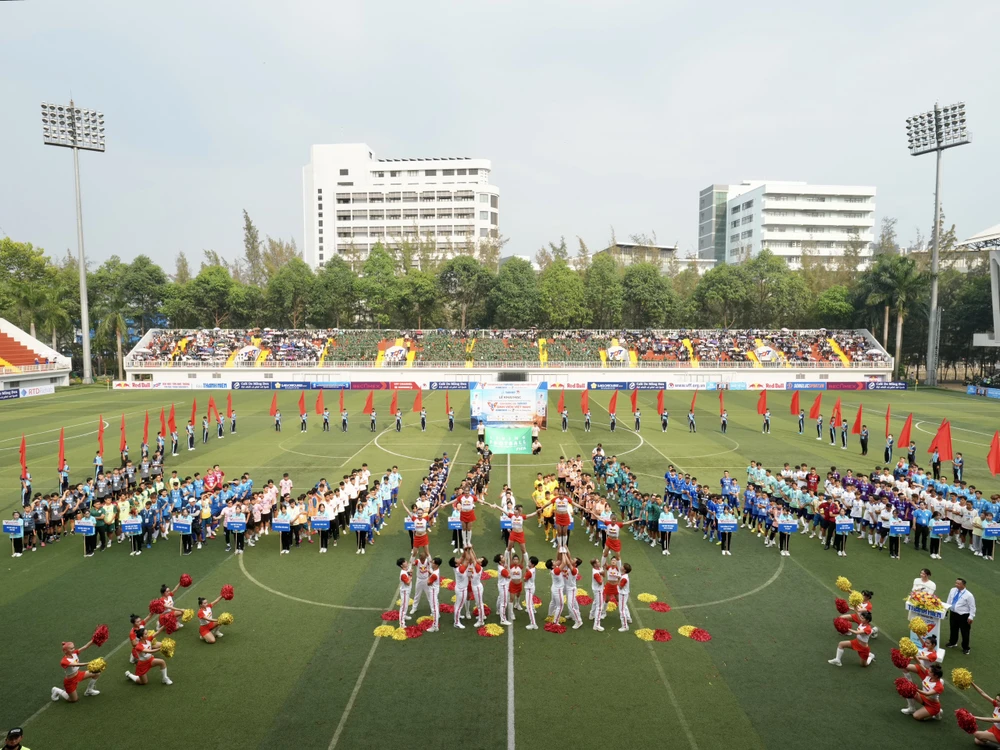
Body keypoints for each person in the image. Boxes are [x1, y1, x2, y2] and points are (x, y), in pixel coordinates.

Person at [944, 578, 976, 655]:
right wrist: (946, 609)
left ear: (963, 585)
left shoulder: (969, 595)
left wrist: (971, 617)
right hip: (953, 613)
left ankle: (966, 648)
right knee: (953, 628)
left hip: (963, 615)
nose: (956, 585)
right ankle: (953, 642)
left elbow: (972, 607)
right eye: (956, 583)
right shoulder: (952, 590)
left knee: (965, 632)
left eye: (958, 584)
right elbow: (949, 600)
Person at [966, 681, 1000, 748]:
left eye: (999, 701)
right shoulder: (997, 705)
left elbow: (992, 720)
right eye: (996, 699)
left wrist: (975, 717)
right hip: (995, 729)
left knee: (976, 734)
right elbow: (983, 693)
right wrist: (972, 684)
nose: (996, 701)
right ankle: (997, 746)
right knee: (977, 741)